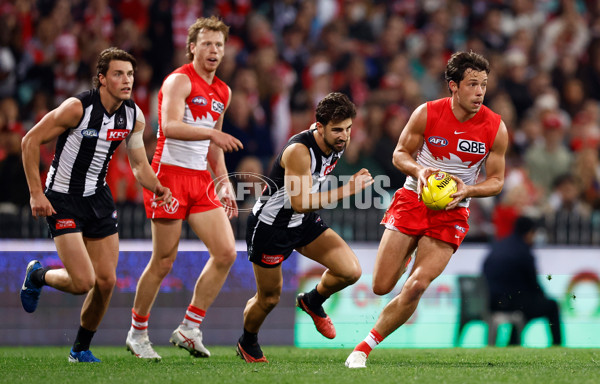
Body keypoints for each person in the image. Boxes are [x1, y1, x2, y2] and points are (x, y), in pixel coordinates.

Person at [345, 51, 509, 368]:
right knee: (381, 285)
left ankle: (362, 349)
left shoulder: (495, 127)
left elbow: (498, 180)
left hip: (453, 211)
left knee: (417, 286)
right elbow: (399, 154)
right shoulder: (427, 113)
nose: (479, 92)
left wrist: (469, 190)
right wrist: (420, 172)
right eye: (472, 84)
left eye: (484, 85)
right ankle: (408, 249)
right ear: (453, 86)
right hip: (412, 200)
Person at [19, 47, 172, 363]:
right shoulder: (77, 108)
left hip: (98, 199)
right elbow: (29, 141)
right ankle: (38, 275)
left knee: (106, 282)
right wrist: (36, 193)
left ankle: (79, 349)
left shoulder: (133, 115)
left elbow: (139, 165)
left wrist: (158, 187)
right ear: (102, 79)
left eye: (130, 74)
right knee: (83, 282)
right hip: (62, 198)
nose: (126, 80)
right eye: (118, 74)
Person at [125, 16, 243, 361]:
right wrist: (210, 134)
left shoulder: (223, 90)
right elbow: (171, 126)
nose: (214, 50)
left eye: (219, 45)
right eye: (207, 43)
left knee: (226, 252)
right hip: (170, 176)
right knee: (163, 261)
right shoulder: (179, 80)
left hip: (201, 179)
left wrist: (222, 182)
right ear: (192, 47)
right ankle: (137, 333)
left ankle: (189, 328)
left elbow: (215, 145)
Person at [237, 92, 374, 363]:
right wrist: (348, 189)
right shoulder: (299, 151)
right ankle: (247, 341)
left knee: (350, 271)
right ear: (319, 127)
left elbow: (303, 207)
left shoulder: (336, 141)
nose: (344, 136)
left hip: (303, 222)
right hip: (271, 227)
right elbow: (299, 202)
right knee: (269, 298)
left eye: (347, 129)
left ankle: (312, 301)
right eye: (337, 130)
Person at [482, 215, 563, 345]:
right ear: (530, 233)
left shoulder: (497, 246)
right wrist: (543, 297)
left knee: (525, 305)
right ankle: (557, 344)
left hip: (491, 301)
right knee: (550, 305)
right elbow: (533, 284)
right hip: (512, 302)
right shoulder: (524, 252)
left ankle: (513, 342)